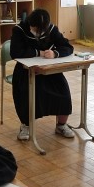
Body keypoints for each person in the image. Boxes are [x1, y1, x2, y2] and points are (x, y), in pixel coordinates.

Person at [10, 8, 74, 141]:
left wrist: (55, 53)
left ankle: (61, 125)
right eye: (35, 29)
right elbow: (15, 52)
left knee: (63, 91)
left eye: (41, 30)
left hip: (49, 71)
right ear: (30, 24)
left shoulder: (51, 29)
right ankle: (26, 125)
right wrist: (39, 53)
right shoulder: (19, 30)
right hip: (26, 71)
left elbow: (68, 47)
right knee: (27, 94)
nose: (38, 33)